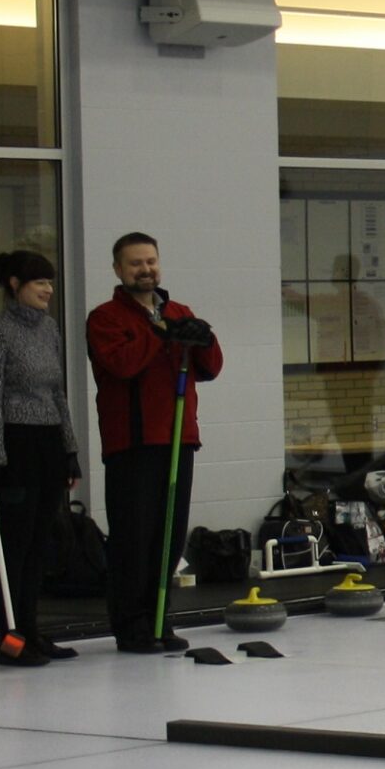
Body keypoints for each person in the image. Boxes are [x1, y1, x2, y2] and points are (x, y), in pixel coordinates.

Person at [83, 233, 222, 655]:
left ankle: (161, 618)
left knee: (169, 536)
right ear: (118, 270)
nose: (146, 270)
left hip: (178, 437)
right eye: (135, 264)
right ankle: (132, 625)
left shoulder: (178, 311)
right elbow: (122, 365)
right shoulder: (105, 318)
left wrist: (204, 337)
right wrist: (160, 333)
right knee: (134, 538)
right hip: (134, 442)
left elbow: (210, 368)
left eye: (151, 262)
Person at [0, 249, 81, 667]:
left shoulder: (49, 329)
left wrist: (70, 449)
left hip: (49, 441)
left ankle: (33, 630)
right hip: (16, 445)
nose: (48, 290)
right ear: (15, 285)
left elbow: (57, 392)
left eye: (51, 283)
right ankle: (12, 638)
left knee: (40, 544)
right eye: (40, 283)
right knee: (14, 548)